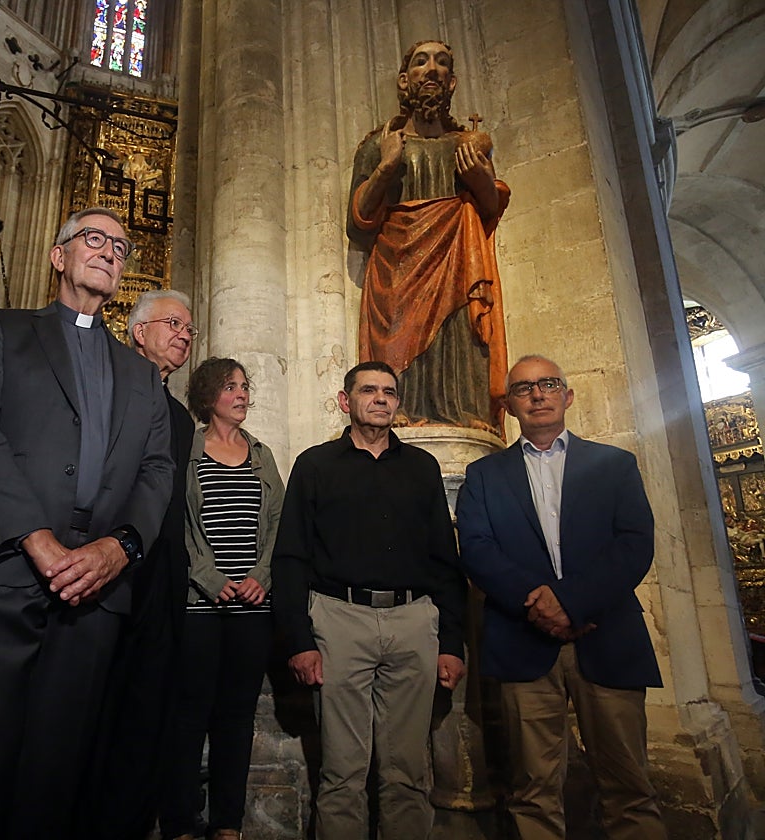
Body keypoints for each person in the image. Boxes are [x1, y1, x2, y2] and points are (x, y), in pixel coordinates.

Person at [0, 207, 174, 838]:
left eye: (120, 246)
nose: (110, 251)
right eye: (94, 239)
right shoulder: (5, 331)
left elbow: (156, 472)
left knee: (56, 773)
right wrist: (33, 536)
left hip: (94, 589)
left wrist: (119, 549)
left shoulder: (143, 374)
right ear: (58, 255)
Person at [455, 355, 667, 840]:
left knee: (630, 786)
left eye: (548, 384)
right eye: (524, 388)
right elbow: (478, 549)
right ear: (509, 406)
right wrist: (538, 603)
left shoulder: (614, 465)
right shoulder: (484, 475)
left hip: (606, 637)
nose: (537, 394)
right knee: (533, 792)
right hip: (523, 643)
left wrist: (571, 604)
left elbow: (634, 542)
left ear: (567, 396)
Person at [272, 361, 467, 839]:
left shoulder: (422, 468)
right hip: (339, 621)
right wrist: (299, 640)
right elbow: (291, 556)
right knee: (342, 773)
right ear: (346, 401)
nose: (380, 398)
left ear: (397, 404)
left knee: (408, 773)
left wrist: (452, 643)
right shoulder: (315, 465)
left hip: (413, 621)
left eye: (389, 392)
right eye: (368, 390)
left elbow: (445, 559)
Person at [346, 39, 509, 433]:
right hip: (397, 266)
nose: (431, 70)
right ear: (405, 81)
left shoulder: (465, 145)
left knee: (459, 336)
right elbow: (358, 220)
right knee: (399, 342)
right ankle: (402, 412)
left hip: (456, 259)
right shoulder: (380, 144)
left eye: (441, 64)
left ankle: (464, 415)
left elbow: (490, 210)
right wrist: (386, 167)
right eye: (421, 62)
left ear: (451, 83)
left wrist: (480, 179)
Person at [87, 289, 198, 839]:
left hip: (161, 578)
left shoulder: (179, 416)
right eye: (173, 324)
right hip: (103, 570)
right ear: (137, 330)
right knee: (93, 705)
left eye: (189, 329)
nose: (183, 334)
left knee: (147, 706)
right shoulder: (104, 389)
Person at [158, 357, 283, 840]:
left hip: (252, 607)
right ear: (209, 396)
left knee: (237, 715)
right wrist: (209, 577)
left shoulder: (262, 454)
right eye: (232, 386)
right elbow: (179, 523)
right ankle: (179, 821)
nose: (242, 394)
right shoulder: (186, 448)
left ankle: (227, 822)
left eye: (245, 386)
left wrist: (262, 576)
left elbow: (277, 523)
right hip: (199, 605)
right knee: (188, 715)